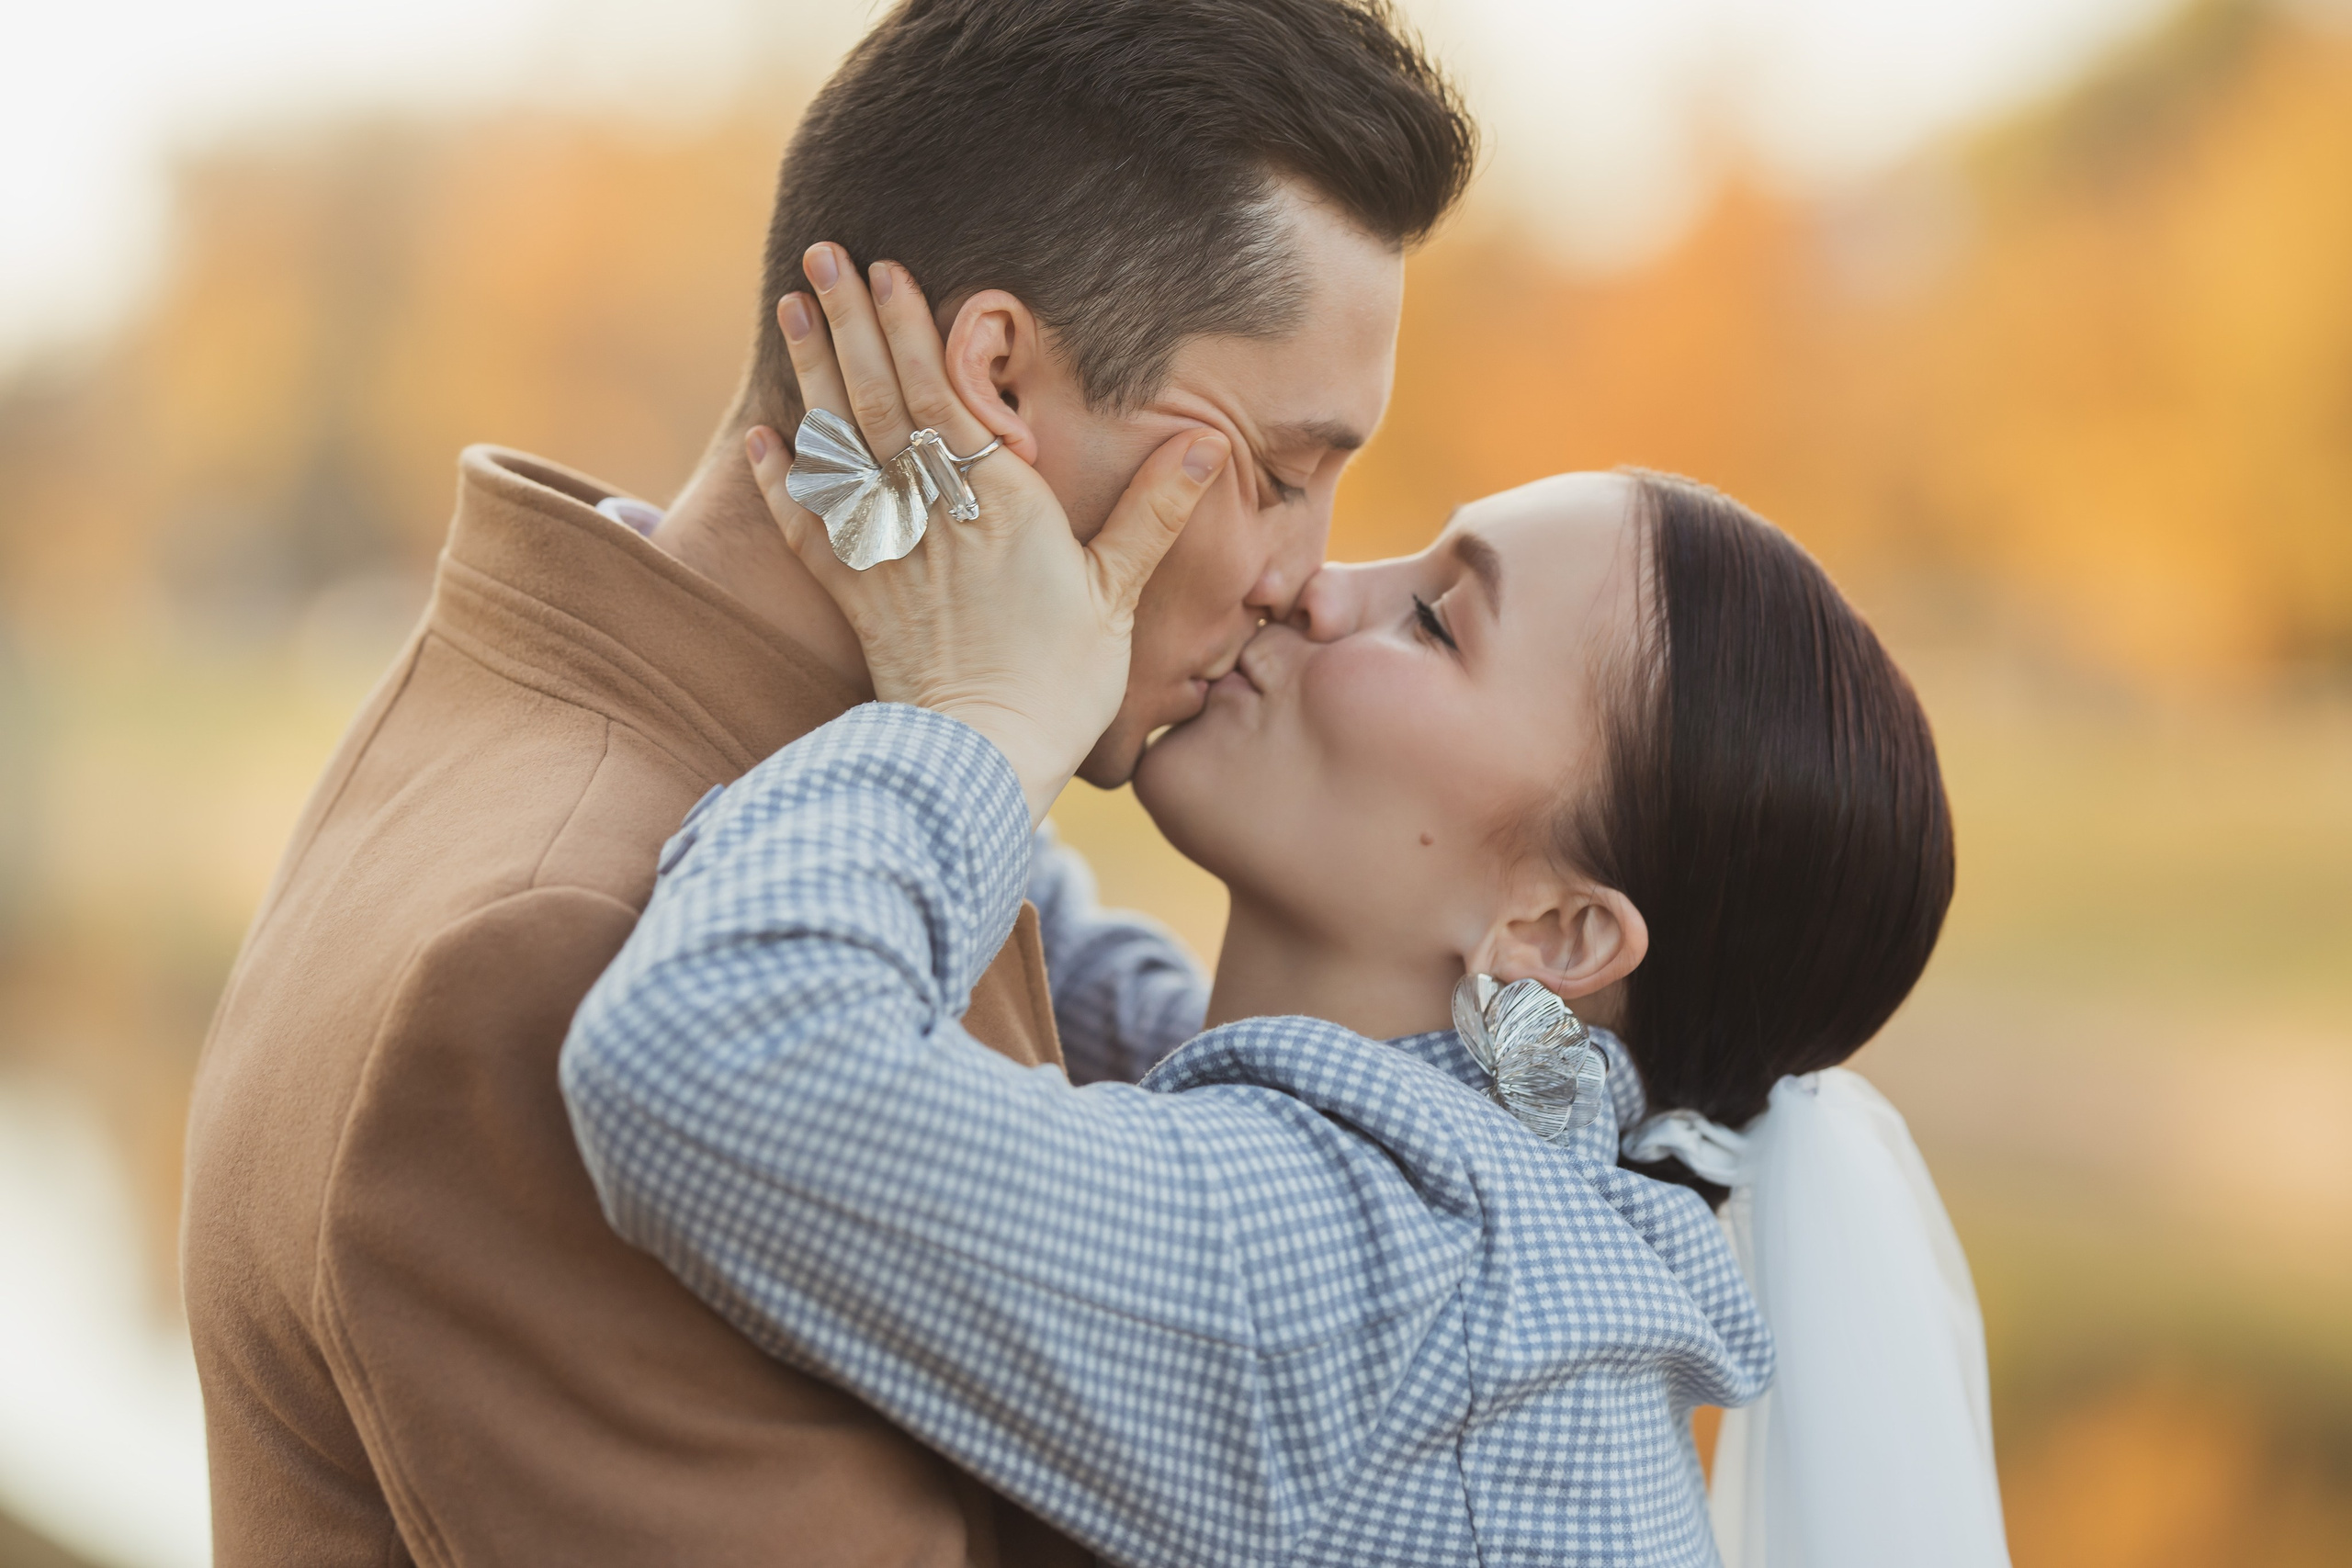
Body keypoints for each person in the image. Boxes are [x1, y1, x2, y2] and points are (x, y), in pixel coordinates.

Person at [178, 3, 1473, 1563]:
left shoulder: (739, 745)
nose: (1301, 581)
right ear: (993, 379)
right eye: (1272, 477)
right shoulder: (570, 949)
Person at [560, 263, 2013, 1566]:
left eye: (1437, 620)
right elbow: (1095, 984)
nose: (1318, 588)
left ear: (1557, 935)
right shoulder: (1492, 1203)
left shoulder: (1395, 1291)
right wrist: (791, 604)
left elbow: (711, 1055)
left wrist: (983, 714)